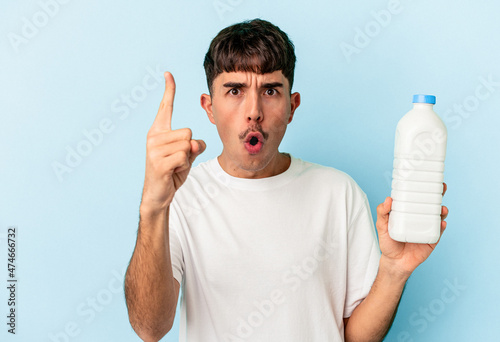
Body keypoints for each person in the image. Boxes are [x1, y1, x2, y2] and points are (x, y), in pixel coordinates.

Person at [124, 19, 448, 342]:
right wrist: (153, 208)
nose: (253, 111)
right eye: (234, 90)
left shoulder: (339, 193)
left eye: (270, 90)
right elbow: (150, 328)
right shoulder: (180, 196)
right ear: (209, 108)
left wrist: (395, 270)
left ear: (291, 107)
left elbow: (357, 338)